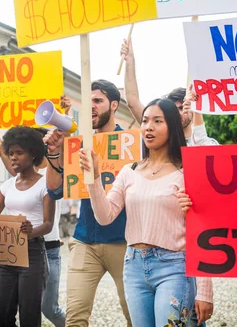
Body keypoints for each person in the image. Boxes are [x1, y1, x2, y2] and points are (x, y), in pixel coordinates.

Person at [79, 98, 213, 326]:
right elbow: (105, 216)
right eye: (145, 121)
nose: (148, 126)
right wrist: (93, 179)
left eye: (157, 121)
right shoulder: (128, 171)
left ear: (172, 126)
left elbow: (202, 230)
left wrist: (205, 291)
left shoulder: (188, 171)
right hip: (134, 268)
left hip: (175, 267)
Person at [51, 80, 132, 326]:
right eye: (87, 102)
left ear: (114, 105)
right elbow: (54, 190)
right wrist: (55, 152)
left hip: (125, 242)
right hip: (85, 240)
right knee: (75, 318)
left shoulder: (132, 144)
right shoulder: (79, 146)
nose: (91, 107)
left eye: (97, 101)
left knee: (136, 317)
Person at [0, 126, 55, 327]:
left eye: (19, 153)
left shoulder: (45, 184)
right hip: (8, 254)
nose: (13, 158)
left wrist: (31, 231)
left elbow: (48, 224)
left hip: (33, 253)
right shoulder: (7, 186)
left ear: (33, 153)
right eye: (10, 154)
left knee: (29, 315)